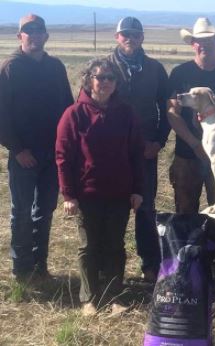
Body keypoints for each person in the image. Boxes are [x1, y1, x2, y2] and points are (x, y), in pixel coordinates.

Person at [56, 58, 144, 316]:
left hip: (119, 192)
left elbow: (137, 154)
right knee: (89, 246)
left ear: (116, 83)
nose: (104, 82)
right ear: (88, 80)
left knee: (115, 245)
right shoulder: (74, 114)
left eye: (110, 78)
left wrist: (138, 189)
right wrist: (68, 195)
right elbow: (63, 156)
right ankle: (89, 299)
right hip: (87, 193)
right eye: (99, 77)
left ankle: (115, 297)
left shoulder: (127, 113)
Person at [0, 14, 74, 282]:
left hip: (52, 154)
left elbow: (68, 108)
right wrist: (18, 149)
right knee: (20, 211)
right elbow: (1, 116)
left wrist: (67, 146)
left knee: (44, 210)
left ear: (46, 36)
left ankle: (39, 265)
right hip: (22, 156)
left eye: (38, 30)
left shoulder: (56, 67)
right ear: (19, 36)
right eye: (27, 31)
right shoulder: (10, 68)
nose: (33, 35)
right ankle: (21, 269)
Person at [109, 16, 169, 282]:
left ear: (142, 37)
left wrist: (158, 141)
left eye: (134, 34)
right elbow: (88, 107)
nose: (130, 38)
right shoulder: (105, 67)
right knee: (114, 207)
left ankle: (150, 265)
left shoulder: (155, 69)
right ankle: (111, 267)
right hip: (113, 151)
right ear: (117, 37)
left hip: (145, 150)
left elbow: (167, 108)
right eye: (125, 34)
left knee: (145, 208)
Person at [167, 17, 215, 213]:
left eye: (210, 41)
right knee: (185, 210)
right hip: (188, 155)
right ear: (193, 44)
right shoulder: (179, 74)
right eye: (200, 41)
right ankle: (187, 244)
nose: (204, 46)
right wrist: (195, 144)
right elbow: (173, 113)